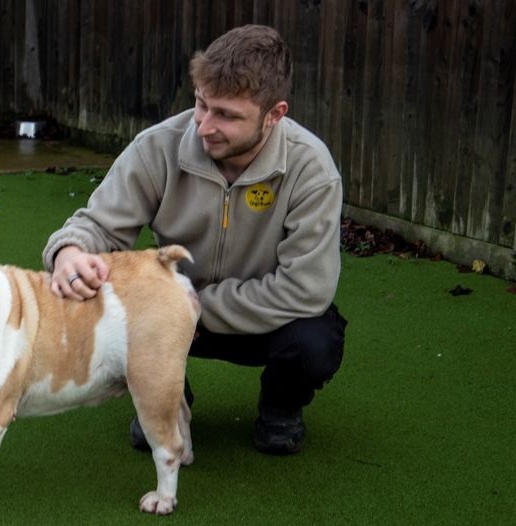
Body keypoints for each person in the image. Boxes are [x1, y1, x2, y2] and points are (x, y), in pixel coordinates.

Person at [42, 24, 347, 455]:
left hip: (259, 317)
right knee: (86, 288)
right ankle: (163, 398)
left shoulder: (311, 169)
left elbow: (306, 288)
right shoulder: (157, 147)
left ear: (274, 114)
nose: (205, 126)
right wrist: (69, 252)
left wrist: (198, 306)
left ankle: (281, 406)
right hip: (164, 318)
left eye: (227, 115)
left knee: (316, 339)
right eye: (201, 104)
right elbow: (99, 226)